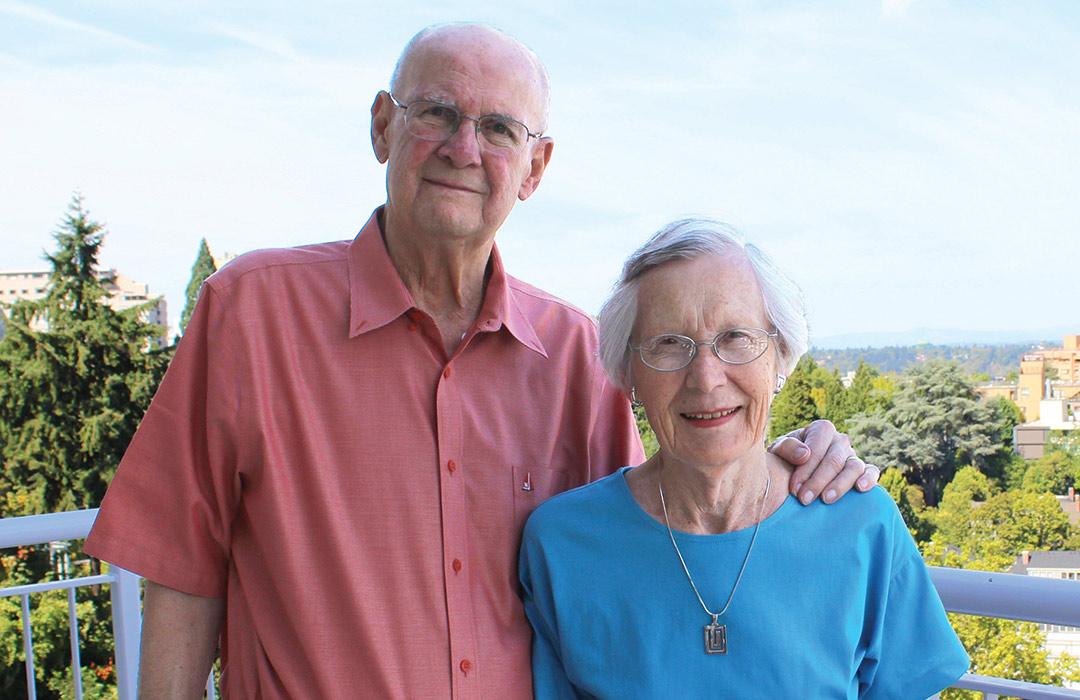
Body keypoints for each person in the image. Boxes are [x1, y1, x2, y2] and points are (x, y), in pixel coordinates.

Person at [84, 24, 879, 699]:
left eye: (500, 128)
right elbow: (181, 574)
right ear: (381, 128)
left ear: (535, 168)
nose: (464, 148)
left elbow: (661, 528)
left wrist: (798, 460)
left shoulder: (574, 354)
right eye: (436, 112)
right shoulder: (253, 312)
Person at [519, 218, 969, 699]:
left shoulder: (862, 523)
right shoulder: (562, 545)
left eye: (735, 338)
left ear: (779, 355)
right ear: (628, 374)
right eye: (669, 344)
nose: (706, 378)